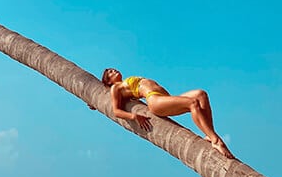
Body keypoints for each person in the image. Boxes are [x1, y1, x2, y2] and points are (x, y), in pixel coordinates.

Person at [100, 68, 234, 159]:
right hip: (155, 100)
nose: (114, 71)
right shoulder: (116, 88)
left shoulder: (124, 82)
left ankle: (209, 135)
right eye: (110, 73)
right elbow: (116, 111)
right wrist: (134, 116)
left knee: (201, 94)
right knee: (192, 103)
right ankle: (216, 140)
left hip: (165, 98)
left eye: (113, 69)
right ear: (109, 81)